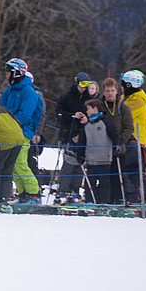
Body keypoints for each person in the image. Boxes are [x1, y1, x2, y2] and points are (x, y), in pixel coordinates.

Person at [0, 58, 43, 182]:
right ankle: (23, 194)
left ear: (17, 72)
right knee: (13, 165)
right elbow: (1, 110)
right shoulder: (8, 91)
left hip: (23, 131)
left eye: (9, 71)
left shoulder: (29, 92)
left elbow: (25, 114)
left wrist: (10, 125)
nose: (6, 74)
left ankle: (33, 192)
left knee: (20, 163)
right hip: (9, 132)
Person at [54, 72, 93, 202]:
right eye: (82, 84)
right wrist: (72, 116)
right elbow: (58, 113)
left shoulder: (89, 99)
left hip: (83, 135)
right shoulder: (67, 97)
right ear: (76, 83)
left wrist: (86, 118)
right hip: (69, 134)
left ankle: (75, 190)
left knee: (80, 163)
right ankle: (63, 190)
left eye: (86, 85)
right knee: (68, 163)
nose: (84, 87)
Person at [71, 97, 120, 203]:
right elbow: (83, 142)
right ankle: (90, 201)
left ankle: (105, 202)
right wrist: (80, 154)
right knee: (90, 183)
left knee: (104, 184)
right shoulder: (87, 125)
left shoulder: (105, 122)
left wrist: (117, 146)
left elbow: (114, 135)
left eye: (88, 109)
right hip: (91, 160)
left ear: (95, 109)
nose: (87, 111)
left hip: (104, 159)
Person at [100, 77, 135, 203]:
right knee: (104, 176)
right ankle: (105, 199)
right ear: (103, 92)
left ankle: (120, 198)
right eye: (107, 91)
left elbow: (129, 127)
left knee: (118, 175)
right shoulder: (98, 105)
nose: (110, 93)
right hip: (102, 147)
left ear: (116, 91)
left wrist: (121, 141)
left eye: (112, 91)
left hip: (118, 147)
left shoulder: (123, 107)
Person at [121, 69, 146, 201]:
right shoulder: (130, 98)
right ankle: (134, 196)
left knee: (129, 170)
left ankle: (134, 197)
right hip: (131, 141)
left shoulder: (137, 101)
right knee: (131, 170)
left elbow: (122, 116)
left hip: (134, 141)